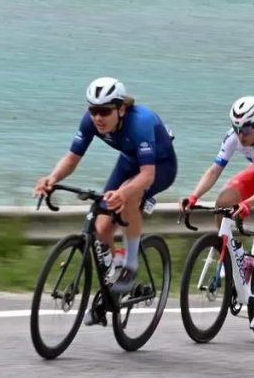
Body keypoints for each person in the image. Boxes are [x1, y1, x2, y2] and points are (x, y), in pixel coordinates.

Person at [34, 77, 177, 316]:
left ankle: (130, 266)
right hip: (129, 162)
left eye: (104, 111)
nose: (98, 117)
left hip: (159, 168)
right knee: (101, 227)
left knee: (128, 199)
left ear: (121, 109)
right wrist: (52, 179)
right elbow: (72, 158)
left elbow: (147, 175)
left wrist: (123, 192)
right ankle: (114, 275)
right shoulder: (91, 122)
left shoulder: (140, 122)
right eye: (93, 110)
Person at [179, 96, 254, 329]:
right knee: (224, 200)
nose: (241, 134)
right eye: (237, 128)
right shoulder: (234, 137)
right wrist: (194, 196)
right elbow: (214, 171)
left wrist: (248, 203)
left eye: (247, 128)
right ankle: (237, 256)